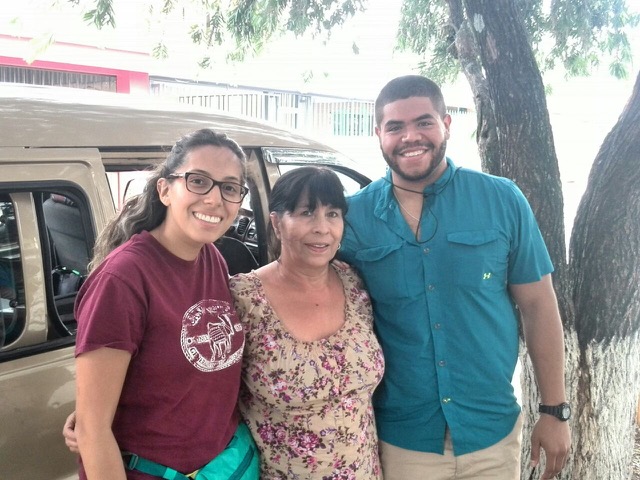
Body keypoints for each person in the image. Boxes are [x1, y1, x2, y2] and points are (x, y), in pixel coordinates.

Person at [338, 75, 571, 480]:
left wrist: (554, 410)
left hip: (491, 436)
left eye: (424, 122)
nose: (410, 136)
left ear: (446, 124)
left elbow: (538, 305)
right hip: (401, 440)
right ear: (379, 134)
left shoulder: (501, 200)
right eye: (395, 126)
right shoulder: (352, 219)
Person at [71, 128, 257, 480]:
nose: (215, 200)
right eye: (198, 181)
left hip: (222, 467)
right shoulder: (123, 279)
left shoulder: (212, 258)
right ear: (165, 189)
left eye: (230, 187)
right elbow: (92, 431)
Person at [229, 166, 385, 479]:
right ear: (276, 221)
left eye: (333, 214)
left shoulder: (354, 284)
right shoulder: (242, 298)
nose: (322, 228)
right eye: (306, 213)